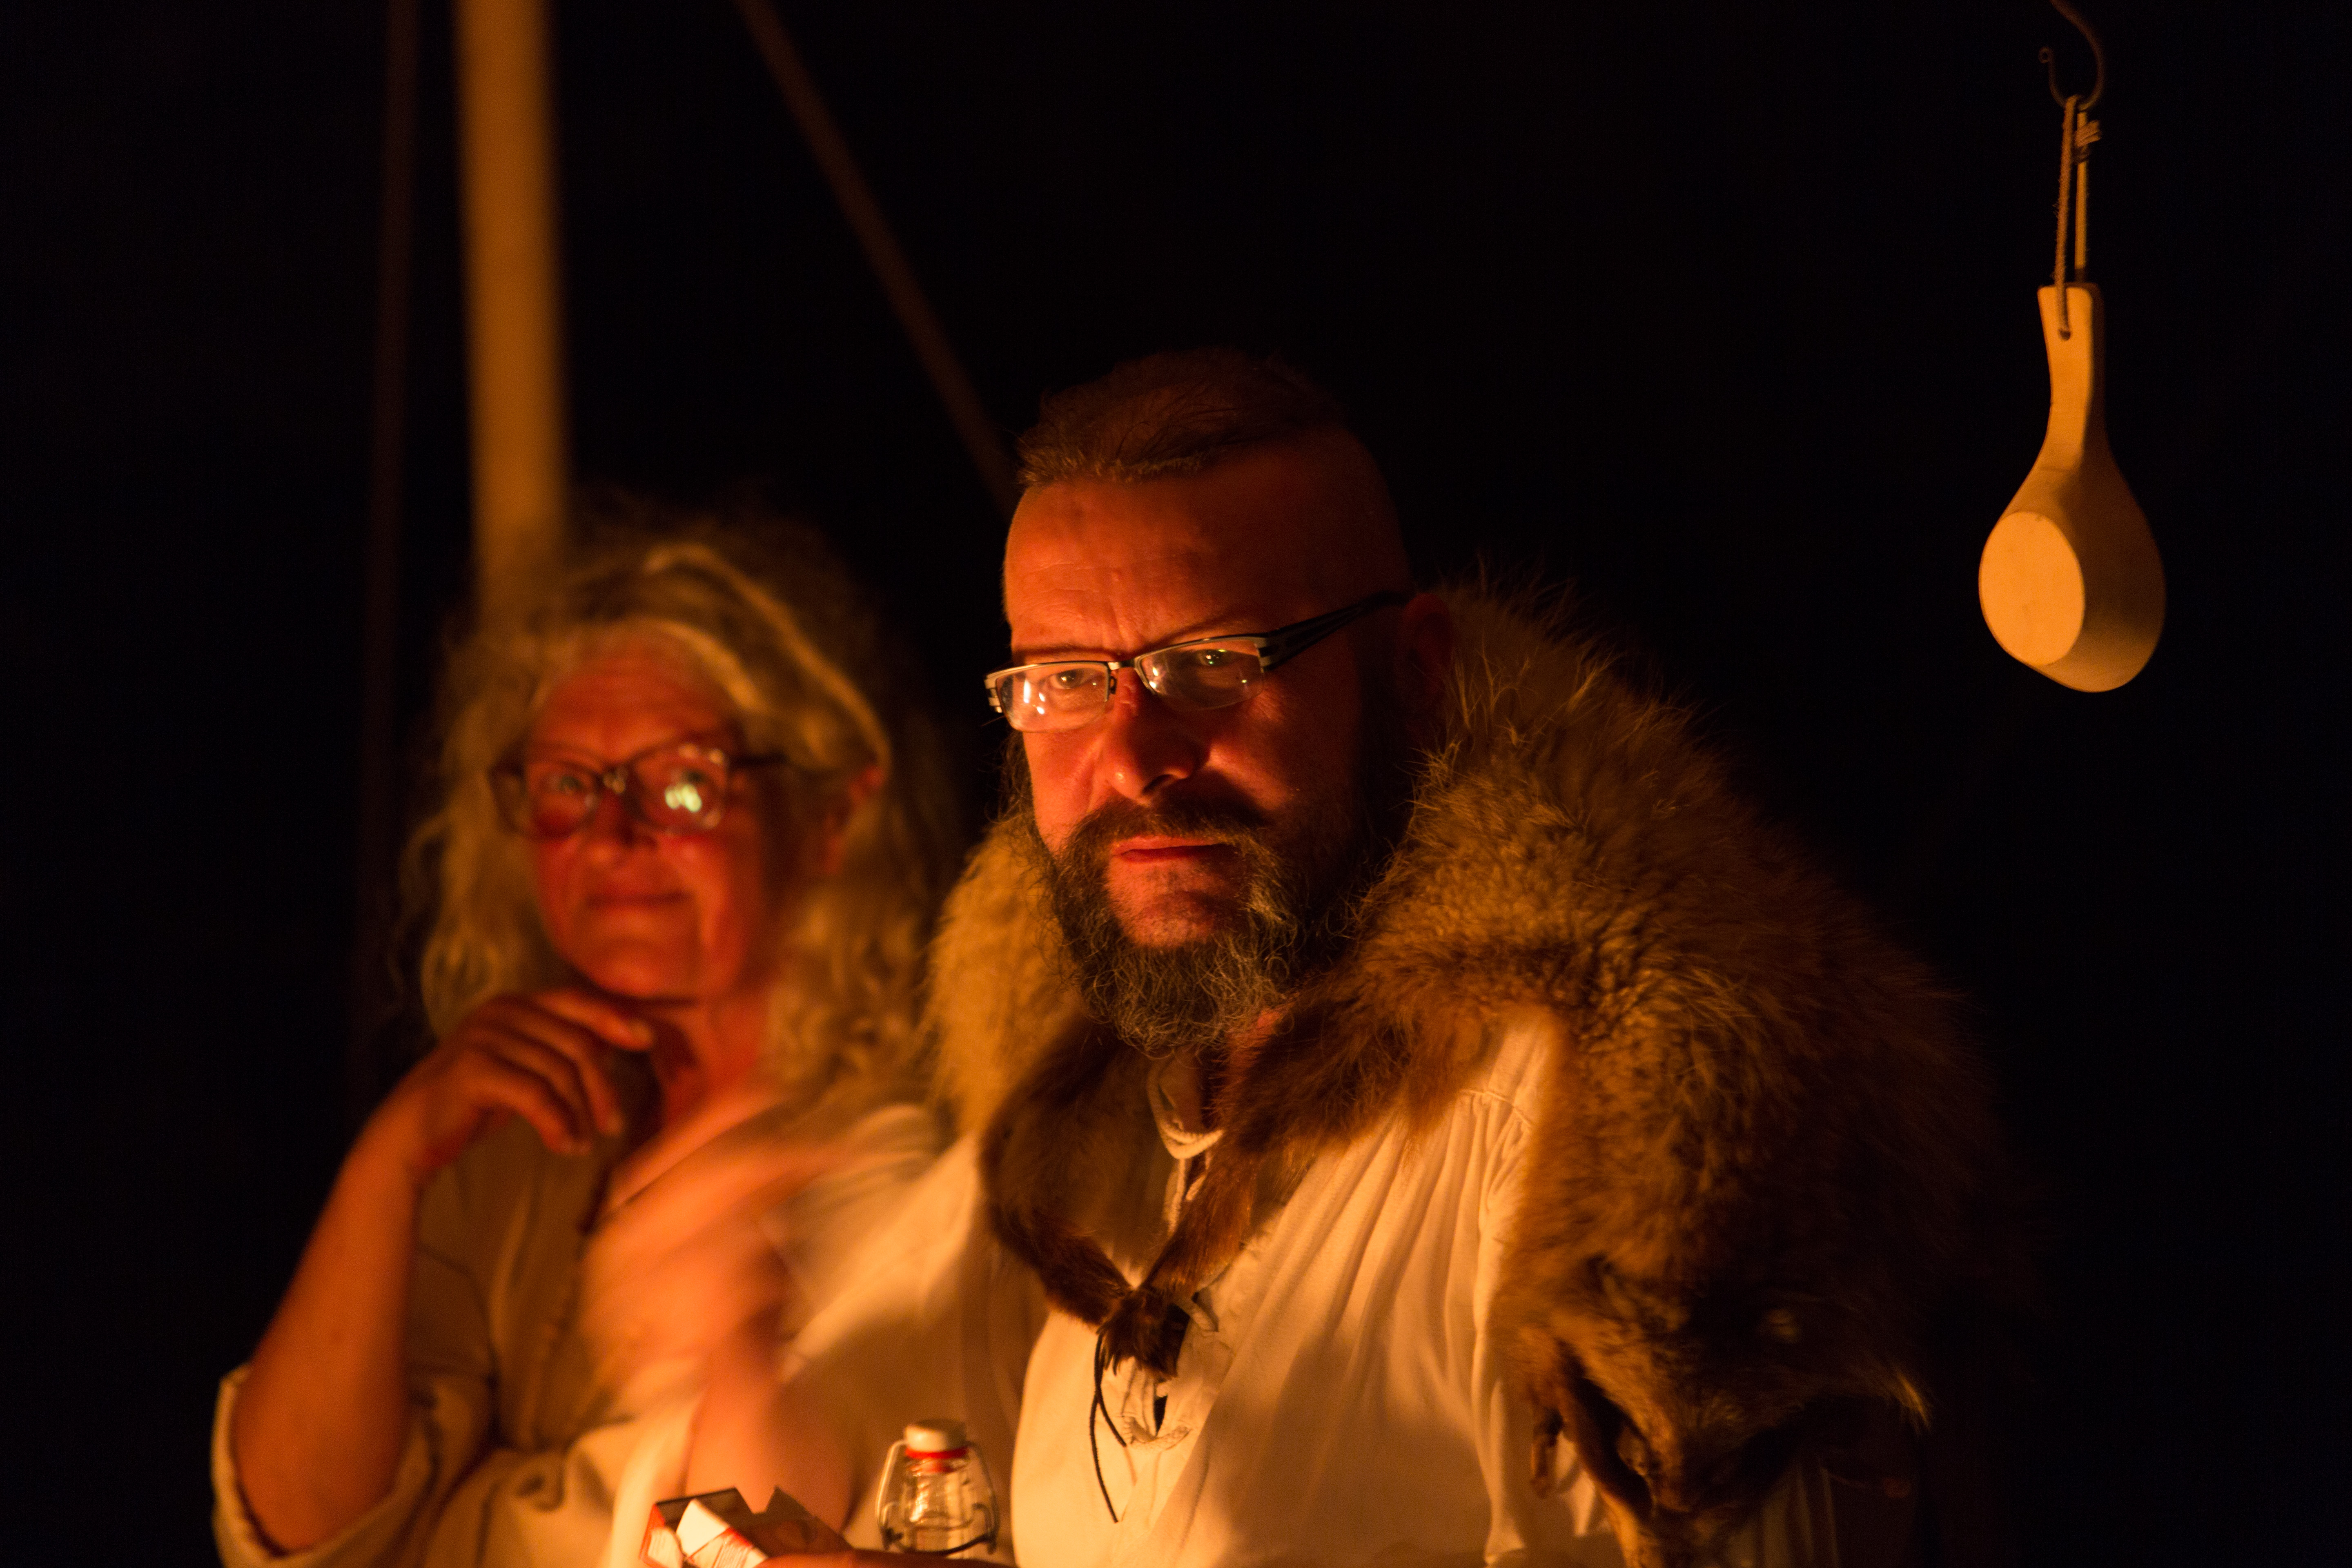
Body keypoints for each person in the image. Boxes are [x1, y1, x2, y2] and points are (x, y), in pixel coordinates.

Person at [693, 352, 2012, 1568]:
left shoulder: (1605, 1140)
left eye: (1212, 664)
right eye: (1064, 681)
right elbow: (838, 1442)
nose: (1134, 758)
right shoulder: (1077, 1118)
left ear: (1414, 669)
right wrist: (726, 1349)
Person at [214, 510, 962, 1568]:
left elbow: (772, 1538)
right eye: (568, 785)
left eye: (685, 785)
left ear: (831, 815)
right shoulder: (502, 1145)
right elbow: (296, 1530)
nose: (614, 836)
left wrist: (477, 1513)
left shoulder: (919, 1158)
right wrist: (390, 1161)